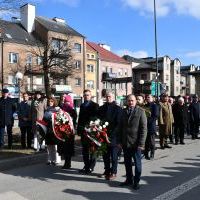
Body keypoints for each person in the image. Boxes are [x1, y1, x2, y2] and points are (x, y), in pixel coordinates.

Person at [117, 94, 147, 190]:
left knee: (137, 164)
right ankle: (129, 179)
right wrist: (119, 141)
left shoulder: (141, 111)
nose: (130, 102)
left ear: (136, 101)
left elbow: (144, 129)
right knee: (127, 163)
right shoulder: (123, 111)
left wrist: (141, 144)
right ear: (127, 101)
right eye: (129, 101)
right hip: (125, 142)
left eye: (132, 100)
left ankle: (136, 181)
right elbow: (120, 127)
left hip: (136, 143)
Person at [98, 91, 122, 180]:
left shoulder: (118, 109)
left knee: (114, 156)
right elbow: (98, 120)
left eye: (110, 97)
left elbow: (119, 124)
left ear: (113, 97)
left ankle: (114, 172)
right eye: (107, 96)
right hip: (103, 135)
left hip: (114, 136)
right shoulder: (101, 108)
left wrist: (111, 134)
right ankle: (107, 171)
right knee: (105, 155)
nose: (108, 98)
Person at [77, 89, 99, 174]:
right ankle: (86, 166)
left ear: (91, 96)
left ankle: (91, 167)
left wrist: (93, 127)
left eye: (88, 95)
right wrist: (79, 129)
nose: (86, 96)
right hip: (83, 131)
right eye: (85, 95)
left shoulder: (95, 105)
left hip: (91, 131)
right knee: (85, 150)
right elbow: (80, 118)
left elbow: (96, 118)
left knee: (93, 150)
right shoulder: (82, 105)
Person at [59, 94, 77, 169]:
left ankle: (68, 163)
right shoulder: (62, 109)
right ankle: (66, 162)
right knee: (64, 148)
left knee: (68, 148)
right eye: (66, 102)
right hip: (63, 131)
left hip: (70, 132)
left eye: (68, 102)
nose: (67, 103)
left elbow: (74, 119)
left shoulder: (72, 110)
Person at [43, 97, 59, 165]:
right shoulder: (46, 110)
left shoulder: (56, 109)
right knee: (49, 146)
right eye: (49, 101)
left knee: (54, 146)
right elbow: (44, 119)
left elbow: (59, 119)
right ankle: (49, 159)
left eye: (52, 101)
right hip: (48, 129)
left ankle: (55, 160)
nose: (50, 102)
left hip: (54, 130)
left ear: (54, 102)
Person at [144, 94, 159, 160]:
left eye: (149, 97)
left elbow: (155, 116)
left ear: (152, 98)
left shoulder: (154, 106)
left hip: (151, 126)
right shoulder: (145, 106)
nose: (147, 98)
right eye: (147, 97)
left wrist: (147, 121)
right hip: (144, 126)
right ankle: (146, 154)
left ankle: (152, 154)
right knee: (146, 142)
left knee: (151, 141)